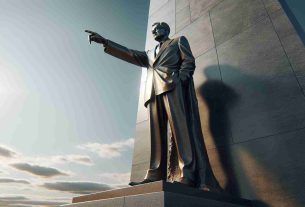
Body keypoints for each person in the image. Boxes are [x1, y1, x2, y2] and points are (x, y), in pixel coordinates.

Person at [85, 22, 222, 191]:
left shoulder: (179, 41)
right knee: (156, 135)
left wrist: (181, 79)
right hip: (152, 92)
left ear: (166, 30)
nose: (154, 32)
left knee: (181, 130)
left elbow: (189, 60)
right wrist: (106, 41)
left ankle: (188, 173)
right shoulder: (149, 53)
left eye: (157, 29)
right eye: (152, 30)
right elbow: (130, 54)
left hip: (173, 86)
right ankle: (155, 174)